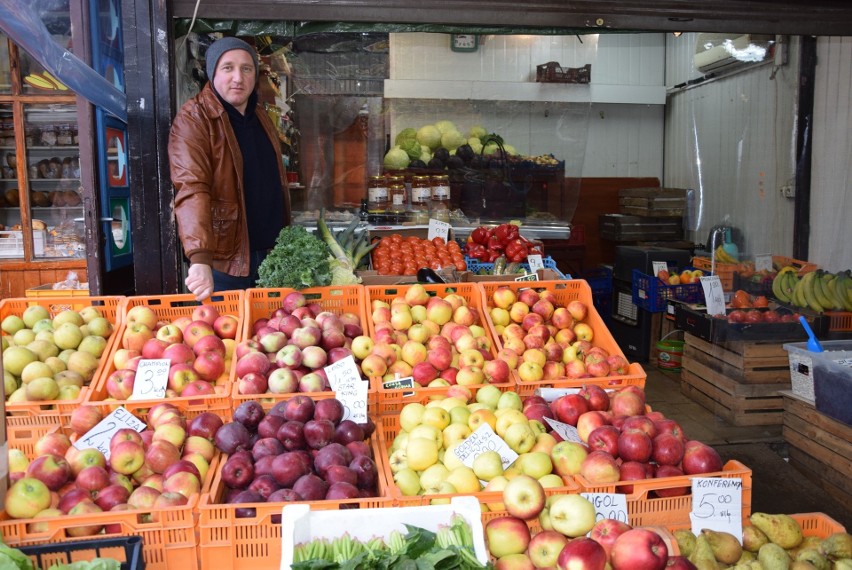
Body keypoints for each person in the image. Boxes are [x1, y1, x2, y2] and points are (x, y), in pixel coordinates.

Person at [169, 36, 290, 301]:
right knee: (228, 340)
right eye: (228, 68)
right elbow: (191, 187)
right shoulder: (194, 118)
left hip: (270, 254)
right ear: (213, 73)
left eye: (246, 68)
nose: (238, 77)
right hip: (226, 260)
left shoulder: (260, 115)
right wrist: (199, 257)